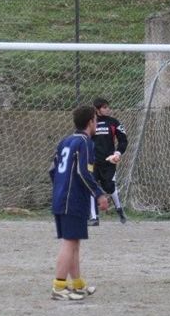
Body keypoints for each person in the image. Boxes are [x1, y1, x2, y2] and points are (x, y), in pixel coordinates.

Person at [50, 105, 109, 301]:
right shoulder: (85, 142)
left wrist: (60, 188)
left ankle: (77, 285)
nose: (97, 123)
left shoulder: (65, 141)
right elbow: (83, 172)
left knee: (73, 241)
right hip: (72, 199)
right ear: (90, 122)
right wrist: (99, 194)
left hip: (61, 198)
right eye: (96, 120)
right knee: (69, 243)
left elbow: (52, 170)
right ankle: (59, 287)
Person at [90, 96, 128, 225]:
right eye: (104, 107)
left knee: (109, 187)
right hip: (93, 162)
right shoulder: (90, 122)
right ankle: (94, 217)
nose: (108, 109)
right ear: (97, 109)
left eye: (108, 107)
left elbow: (123, 140)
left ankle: (119, 209)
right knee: (91, 186)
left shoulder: (114, 122)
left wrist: (117, 153)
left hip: (108, 162)